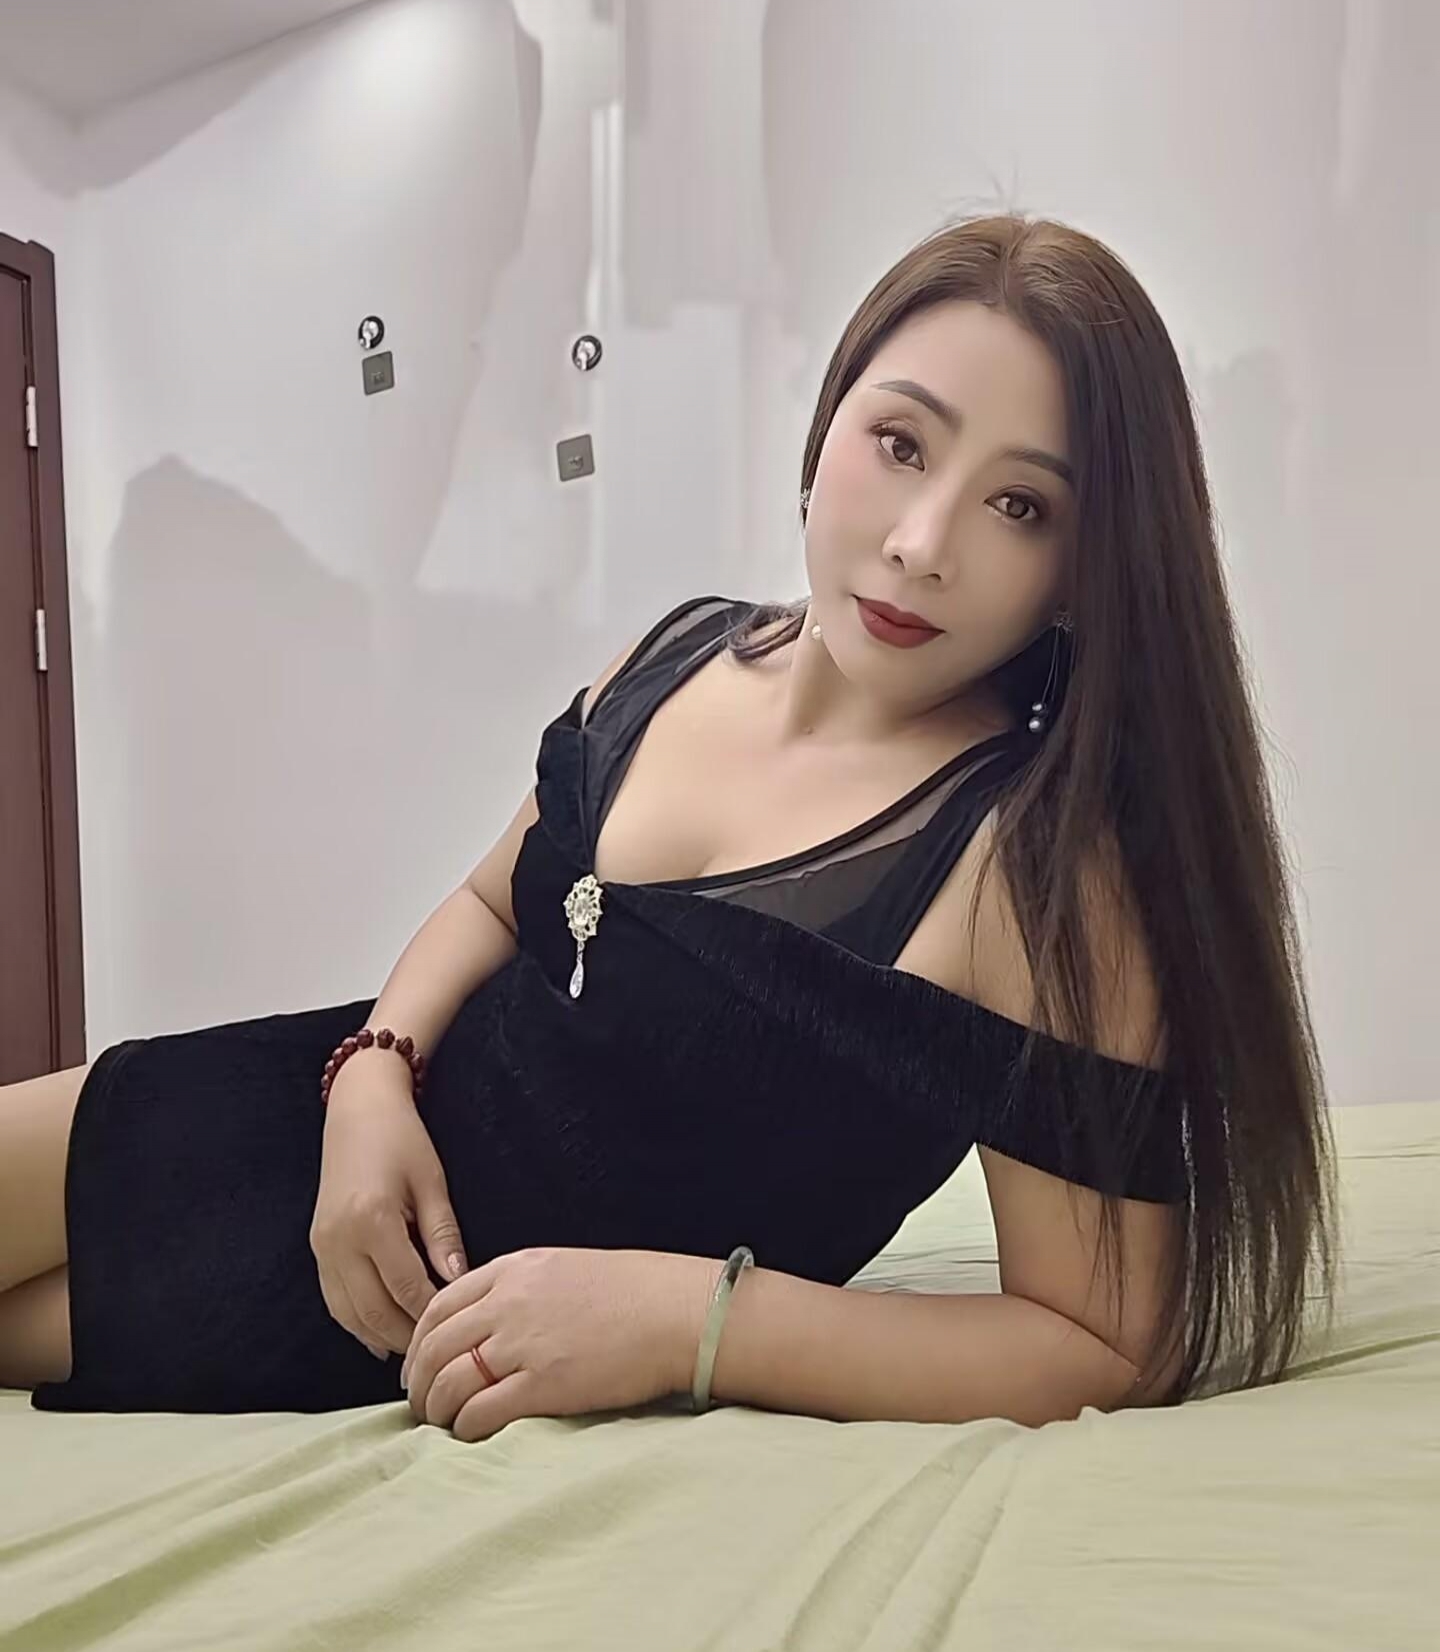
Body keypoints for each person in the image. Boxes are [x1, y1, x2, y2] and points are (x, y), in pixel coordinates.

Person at [0, 214, 1337, 1441]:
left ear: (1081, 569)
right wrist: (371, 1072)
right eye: (902, 443)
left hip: (416, 1289)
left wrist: (683, 1323)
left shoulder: (1035, 864)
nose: (923, 542)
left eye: (1019, 505)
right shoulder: (679, 652)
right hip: (317, 1106)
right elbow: (489, 902)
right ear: (827, 426)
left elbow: (1106, 1340)